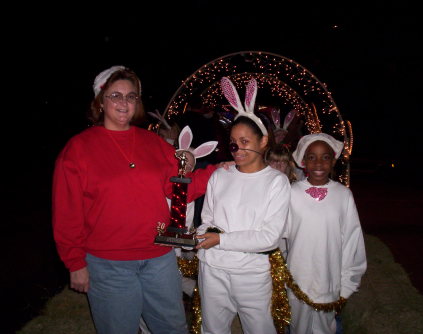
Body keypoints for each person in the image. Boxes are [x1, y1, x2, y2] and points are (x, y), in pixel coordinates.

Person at [52, 65, 222, 334]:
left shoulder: (153, 143)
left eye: (131, 96)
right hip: (108, 264)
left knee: (173, 328)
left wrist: (218, 172)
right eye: (115, 95)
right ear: (100, 101)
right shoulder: (78, 149)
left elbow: (180, 191)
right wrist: (75, 263)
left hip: (159, 259)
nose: (124, 102)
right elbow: (67, 213)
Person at [195, 77, 291, 334]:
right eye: (234, 142)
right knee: (212, 329)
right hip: (212, 269)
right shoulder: (220, 175)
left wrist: (221, 240)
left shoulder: (276, 182)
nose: (237, 148)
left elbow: (269, 237)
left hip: (251, 274)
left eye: (245, 141)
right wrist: (203, 235)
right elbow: (207, 218)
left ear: (263, 142)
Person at [286, 133, 367, 334]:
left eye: (325, 157)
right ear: (303, 161)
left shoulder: (343, 195)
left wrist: (348, 283)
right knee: (298, 328)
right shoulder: (291, 193)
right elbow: (280, 237)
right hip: (298, 279)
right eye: (312, 157)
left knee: (325, 328)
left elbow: (351, 240)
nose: (319, 163)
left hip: (328, 279)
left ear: (333, 161)